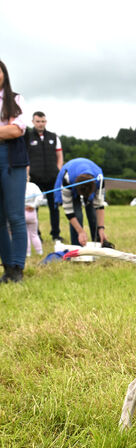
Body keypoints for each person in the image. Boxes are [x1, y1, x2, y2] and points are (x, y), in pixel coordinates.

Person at [0, 59, 29, 284]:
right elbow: (7, 129)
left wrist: (8, 129)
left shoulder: (16, 99)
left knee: (16, 216)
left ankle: (18, 267)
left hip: (12, 163)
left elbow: (16, 130)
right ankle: (7, 267)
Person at [54, 158, 113, 247]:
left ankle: (98, 242)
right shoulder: (67, 179)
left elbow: (99, 206)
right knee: (77, 215)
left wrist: (101, 228)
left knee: (93, 213)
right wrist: (80, 231)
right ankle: (77, 245)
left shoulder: (99, 179)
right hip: (70, 176)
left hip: (93, 179)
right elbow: (68, 210)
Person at [25, 111, 63, 243]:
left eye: (43, 121)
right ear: (33, 122)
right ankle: (36, 234)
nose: (41, 124)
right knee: (33, 208)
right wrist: (27, 175)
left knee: (54, 207)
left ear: (45, 122)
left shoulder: (53, 137)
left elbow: (60, 156)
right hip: (35, 179)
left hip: (52, 178)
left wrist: (58, 170)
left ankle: (56, 235)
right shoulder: (27, 137)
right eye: (38, 121)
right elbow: (25, 157)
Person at [24, 179, 44, 257]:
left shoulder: (17, 187)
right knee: (34, 234)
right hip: (32, 213)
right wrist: (34, 205)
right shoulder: (33, 186)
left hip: (22, 212)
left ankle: (27, 253)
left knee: (26, 235)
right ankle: (40, 251)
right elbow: (40, 197)